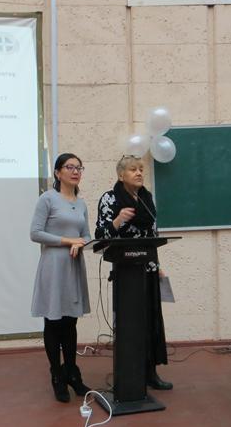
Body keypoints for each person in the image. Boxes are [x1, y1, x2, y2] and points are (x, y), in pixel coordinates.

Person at [94, 155, 173, 390]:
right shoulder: (110, 199)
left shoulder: (147, 199)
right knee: (130, 324)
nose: (139, 173)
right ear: (121, 175)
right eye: (132, 169)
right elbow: (100, 236)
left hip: (147, 268)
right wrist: (118, 220)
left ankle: (150, 372)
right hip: (125, 271)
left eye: (140, 169)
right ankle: (130, 373)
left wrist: (157, 265)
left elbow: (152, 236)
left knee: (150, 321)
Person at [30, 153, 92, 403]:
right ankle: (56, 374)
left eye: (79, 167)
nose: (75, 171)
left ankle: (72, 372)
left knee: (70, 322)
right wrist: (68, 241)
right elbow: (35, 233)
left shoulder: (82, 203)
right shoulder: (47, 198)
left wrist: (80, 243)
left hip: (73, 266)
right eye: (70, 167)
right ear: (58, 172)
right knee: (54, 321)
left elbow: (87, 235)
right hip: (54, 266)